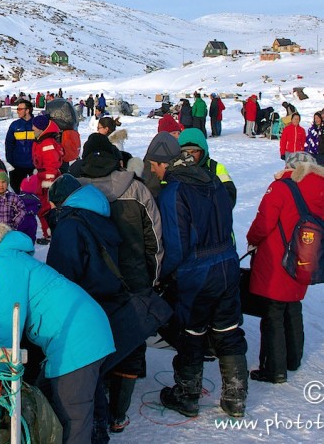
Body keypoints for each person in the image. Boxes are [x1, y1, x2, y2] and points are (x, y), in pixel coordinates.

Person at [0, 223, 115, 443]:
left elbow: (6, 322)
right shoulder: (10, 262)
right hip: (87, 329)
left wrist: (0, 374)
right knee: (50, 395)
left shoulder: (1, 264)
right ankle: (98, 435)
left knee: (71, 413)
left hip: (76, 338)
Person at [146, 132, 248, 418]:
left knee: (192, 333)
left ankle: (188, 396)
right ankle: (235, 399)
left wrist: (160, 275)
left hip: (197, 271)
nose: (153, 170)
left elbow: (176, 246)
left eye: (154, 165)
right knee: (228, 331)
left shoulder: (174, 191)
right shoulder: (212, 180)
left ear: (165, 163)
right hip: (227, 263)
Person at [71, 133, 164, 432]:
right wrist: (152, 276)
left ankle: (96, 405)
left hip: (90, 283)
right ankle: (118, 414)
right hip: (133, 279)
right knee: (132, 345)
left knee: (92, 343)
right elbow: (154, 239)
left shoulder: (74, 190)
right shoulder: (135, 189)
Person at [247, 152, 324, 383]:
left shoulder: (282, 187)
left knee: (273, 311)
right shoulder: (321, 189)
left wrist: (252, 239)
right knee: (293, 305)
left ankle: (274, 369)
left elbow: (264, 222)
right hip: (305, 257)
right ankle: (293, 358)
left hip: (277, 258)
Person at [178, 127, 237, 208]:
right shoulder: (175, 169)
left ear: (202, 152)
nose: (189, 156)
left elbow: (230, 197)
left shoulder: (215, 168)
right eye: (185, 152)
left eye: (194, 151)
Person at [31, 114, 64, 244]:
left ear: (41, 128)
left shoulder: (47, 143)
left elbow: (52, 165)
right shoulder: (42, 141)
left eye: (35, 126)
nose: (32, 128)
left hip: (46, 180)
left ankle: (50, 234)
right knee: (43, 208)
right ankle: (49, 233)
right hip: (42, 178)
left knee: (46, 209)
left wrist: (48, 183)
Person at [4, 99, 35, 193]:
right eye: (17, 109)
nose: (17, 111)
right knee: (16, 192)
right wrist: (10, 163)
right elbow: (9, 145)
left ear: (27, 110)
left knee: (35, 192)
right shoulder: (14, 125)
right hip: (17, 166)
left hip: (33, 166)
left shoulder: (36, 124)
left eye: (20, 109)